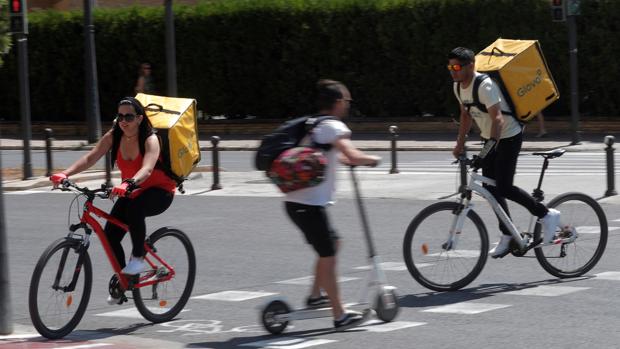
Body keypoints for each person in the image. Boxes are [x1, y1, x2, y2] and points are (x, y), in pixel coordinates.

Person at [50, 97, 176, 304]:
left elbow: (147, 169)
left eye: (128, 116)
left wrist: (128, 183)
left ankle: (137, 259)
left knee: (135, 209)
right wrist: (65, 174)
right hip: (131, 190)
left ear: (139, 118)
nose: (123, 121)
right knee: (110, 236)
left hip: (159, 191)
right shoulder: (115, 135)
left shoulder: (150, 139)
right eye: (120, 116)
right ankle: (125, 280)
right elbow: (91, 157)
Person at [284, 79, 380, 331]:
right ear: (338, 102)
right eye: (347, 101)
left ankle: (316, 296)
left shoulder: (314, 124)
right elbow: (352, 154)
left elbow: (327, 154)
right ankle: (340, 315)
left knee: (332, 244)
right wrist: (372, 159)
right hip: (308, 205)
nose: (348, 105)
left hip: (298, 204)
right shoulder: (333, 125)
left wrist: (345, 161)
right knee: (328, 255)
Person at [447, 47, 560, 257]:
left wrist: (487, 151)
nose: (452, 71)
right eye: (450, 67)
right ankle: (508, 234)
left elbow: (497, 119)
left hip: (508, 136)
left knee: (504, 186)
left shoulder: (485, 86)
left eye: (456, 67)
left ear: (471, 66)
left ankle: (546, 214)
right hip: (490, 137)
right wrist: (459, 144)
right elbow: (465, 116)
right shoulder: (458, 87)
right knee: (491, 190)